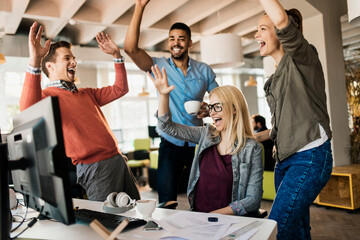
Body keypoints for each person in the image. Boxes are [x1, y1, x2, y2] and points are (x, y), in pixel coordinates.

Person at [20, 22, 140, 202]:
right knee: (106, 224)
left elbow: (120, 89)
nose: (74, 62)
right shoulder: (47, 97)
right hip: (95, 168)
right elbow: (27, 109)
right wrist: (34, 61)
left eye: (73, 58)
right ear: (50, 66)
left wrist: (116, 55)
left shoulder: (86, 93)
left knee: (136, 214)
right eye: (67, 58)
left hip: (118, 160)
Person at [124, 0, 218, 205]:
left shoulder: (204, 70)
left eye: (181, 39)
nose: (176, 43)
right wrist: (139, 7)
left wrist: (209, 109)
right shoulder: (157, 66)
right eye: (172, 39)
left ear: (190, 43)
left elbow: (222, 99)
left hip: (197, 144)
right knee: (166, 202)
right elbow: (130, 48)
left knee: (204, 196)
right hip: (170, 143)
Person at [255, 0, 333, 238]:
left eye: (262, 28)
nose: (255, 33)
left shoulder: (303, 57)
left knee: (276, 228)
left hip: (309, 156)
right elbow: (277, 128)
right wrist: (248, 136)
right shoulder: (273, 79)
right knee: (297, 231)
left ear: (281, 33)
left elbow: (281, 20)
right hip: (283, 162)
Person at [148, 65, 263, 215]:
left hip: (228, 222)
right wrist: (164, 96)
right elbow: (166, 127)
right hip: (198, 218)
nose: (212, 113)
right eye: (210, 107)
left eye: (217, 107)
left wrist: (215, 215)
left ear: (234, 109)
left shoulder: (252, 148)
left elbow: (252, 200)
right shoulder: (206, 134)